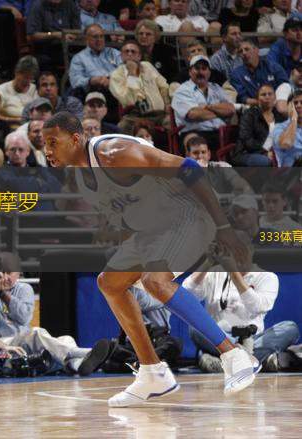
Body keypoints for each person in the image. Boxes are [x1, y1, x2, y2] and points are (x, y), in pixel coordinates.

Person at [42, 111, 260, 407]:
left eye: (53, 142)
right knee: (110, 283)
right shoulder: (81, 176)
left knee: (155, 281)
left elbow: (189, 168)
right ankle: (152, 373)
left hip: (188, 215)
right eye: (44, 144)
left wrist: (224, 229)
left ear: (76, 139)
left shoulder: (114, 153)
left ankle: (234, 355)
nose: (47, 150)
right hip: (153, 230)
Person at [183, 231, 299, 373]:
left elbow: (257, 306)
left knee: (290, 328)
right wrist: (208, 262)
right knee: (195, 326)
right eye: (233, 250)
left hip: (253, 338)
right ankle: (254, 360)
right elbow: (186, 293)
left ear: (251, 250)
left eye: (241, 249)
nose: (238, 255)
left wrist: (233, 272)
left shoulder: (267, 276)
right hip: (219, 337)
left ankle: (227, 361)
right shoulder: (215, 273)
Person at [172, 55, 235, 150]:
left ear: (209, 72)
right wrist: (221, 112)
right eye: (197, 68)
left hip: (220, 132)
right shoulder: (182, 90)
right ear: (190, 72)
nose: (200, 72)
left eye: (204, 68)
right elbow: (194, 114)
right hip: (194, 133)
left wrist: (207, 107)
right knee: (196, 142)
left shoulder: (217, 88)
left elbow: (231, 109)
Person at [109, 40, 169, 134]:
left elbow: (163, 86)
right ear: (121, 56)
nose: (129, 54)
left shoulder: (147, 66)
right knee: (122, 126)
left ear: (139, 56)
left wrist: (167, 104)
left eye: (133, 51)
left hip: (160, 113)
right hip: (135, 116)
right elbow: (129, 101)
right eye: (126, 51)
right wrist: (132, 74)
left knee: (173, 121)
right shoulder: (116, 75)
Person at [234, 84, 286, 166]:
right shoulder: (249, 114)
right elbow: (246, 140)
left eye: (270, 94)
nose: (267, 97)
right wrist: (264, 152)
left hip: (272, 152)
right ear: (257, 99)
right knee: (265, 161)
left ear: (275, 97)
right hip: (247, 152)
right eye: (263, 95)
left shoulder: (279, 116)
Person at [185, 136, 253, 194]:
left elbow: (239, 183)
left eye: (203, 152)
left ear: (209, 154)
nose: (200, 156)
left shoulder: (221, 166)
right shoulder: (183, 174)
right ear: (188, 155)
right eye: (195, 153)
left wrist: (242, 188)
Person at [230, 40, 288, 106]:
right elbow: (243, 98)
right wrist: (264, 103)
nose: (244, 53)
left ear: (256, 50)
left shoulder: (273, 67)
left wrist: (277, 102)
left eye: (247, 49)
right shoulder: (236, 74)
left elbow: (285, 86)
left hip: (277, 105)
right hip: (252, 108)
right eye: (240, 51)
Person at [69, 24, 122, 93]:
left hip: (116, 89)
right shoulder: (78, 58)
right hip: (93, 91)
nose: (99, 40)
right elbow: (75, 81)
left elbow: (124, 70)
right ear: (86, 39)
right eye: (95, 37)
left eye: (101, 36)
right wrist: (90, 81)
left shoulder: (114, 53)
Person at [0, 55, 39, 123]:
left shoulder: (34, 89)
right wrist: (14, 120)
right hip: (8, 127)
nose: (28, 82)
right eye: (25, 77)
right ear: (16, 72)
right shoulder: (1, 90)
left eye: (31, 79)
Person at [272, 90, 302, 166]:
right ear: (289, 107)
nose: (299, 106)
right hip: (292, 170)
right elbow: (286, 143)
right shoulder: (279, 127)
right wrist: (294, 118)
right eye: (295, 103)